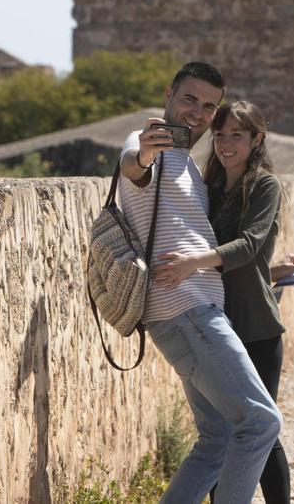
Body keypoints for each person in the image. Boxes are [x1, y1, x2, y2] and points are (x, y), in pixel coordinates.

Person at [117, 62, 282, 504]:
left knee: (218, 439)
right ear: (169, 94)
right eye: (190, 99)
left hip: (188, 311)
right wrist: (145, 154)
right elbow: (134, 168)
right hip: (187, 310)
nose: (198, 112)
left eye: (209, 106)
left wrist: (275, 270)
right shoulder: (144, 143)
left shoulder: (191, 165)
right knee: (262, 422)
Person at [155, 101, 294, 504]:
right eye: (220, 135)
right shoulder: (209, 188)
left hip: (255, 327)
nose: (225, 143)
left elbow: (250, 247)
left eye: (237, 134)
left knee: (260, 431)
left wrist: (192, 263)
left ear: (257, 139)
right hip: (211, 322)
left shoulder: (266, 185)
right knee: (221, 435)